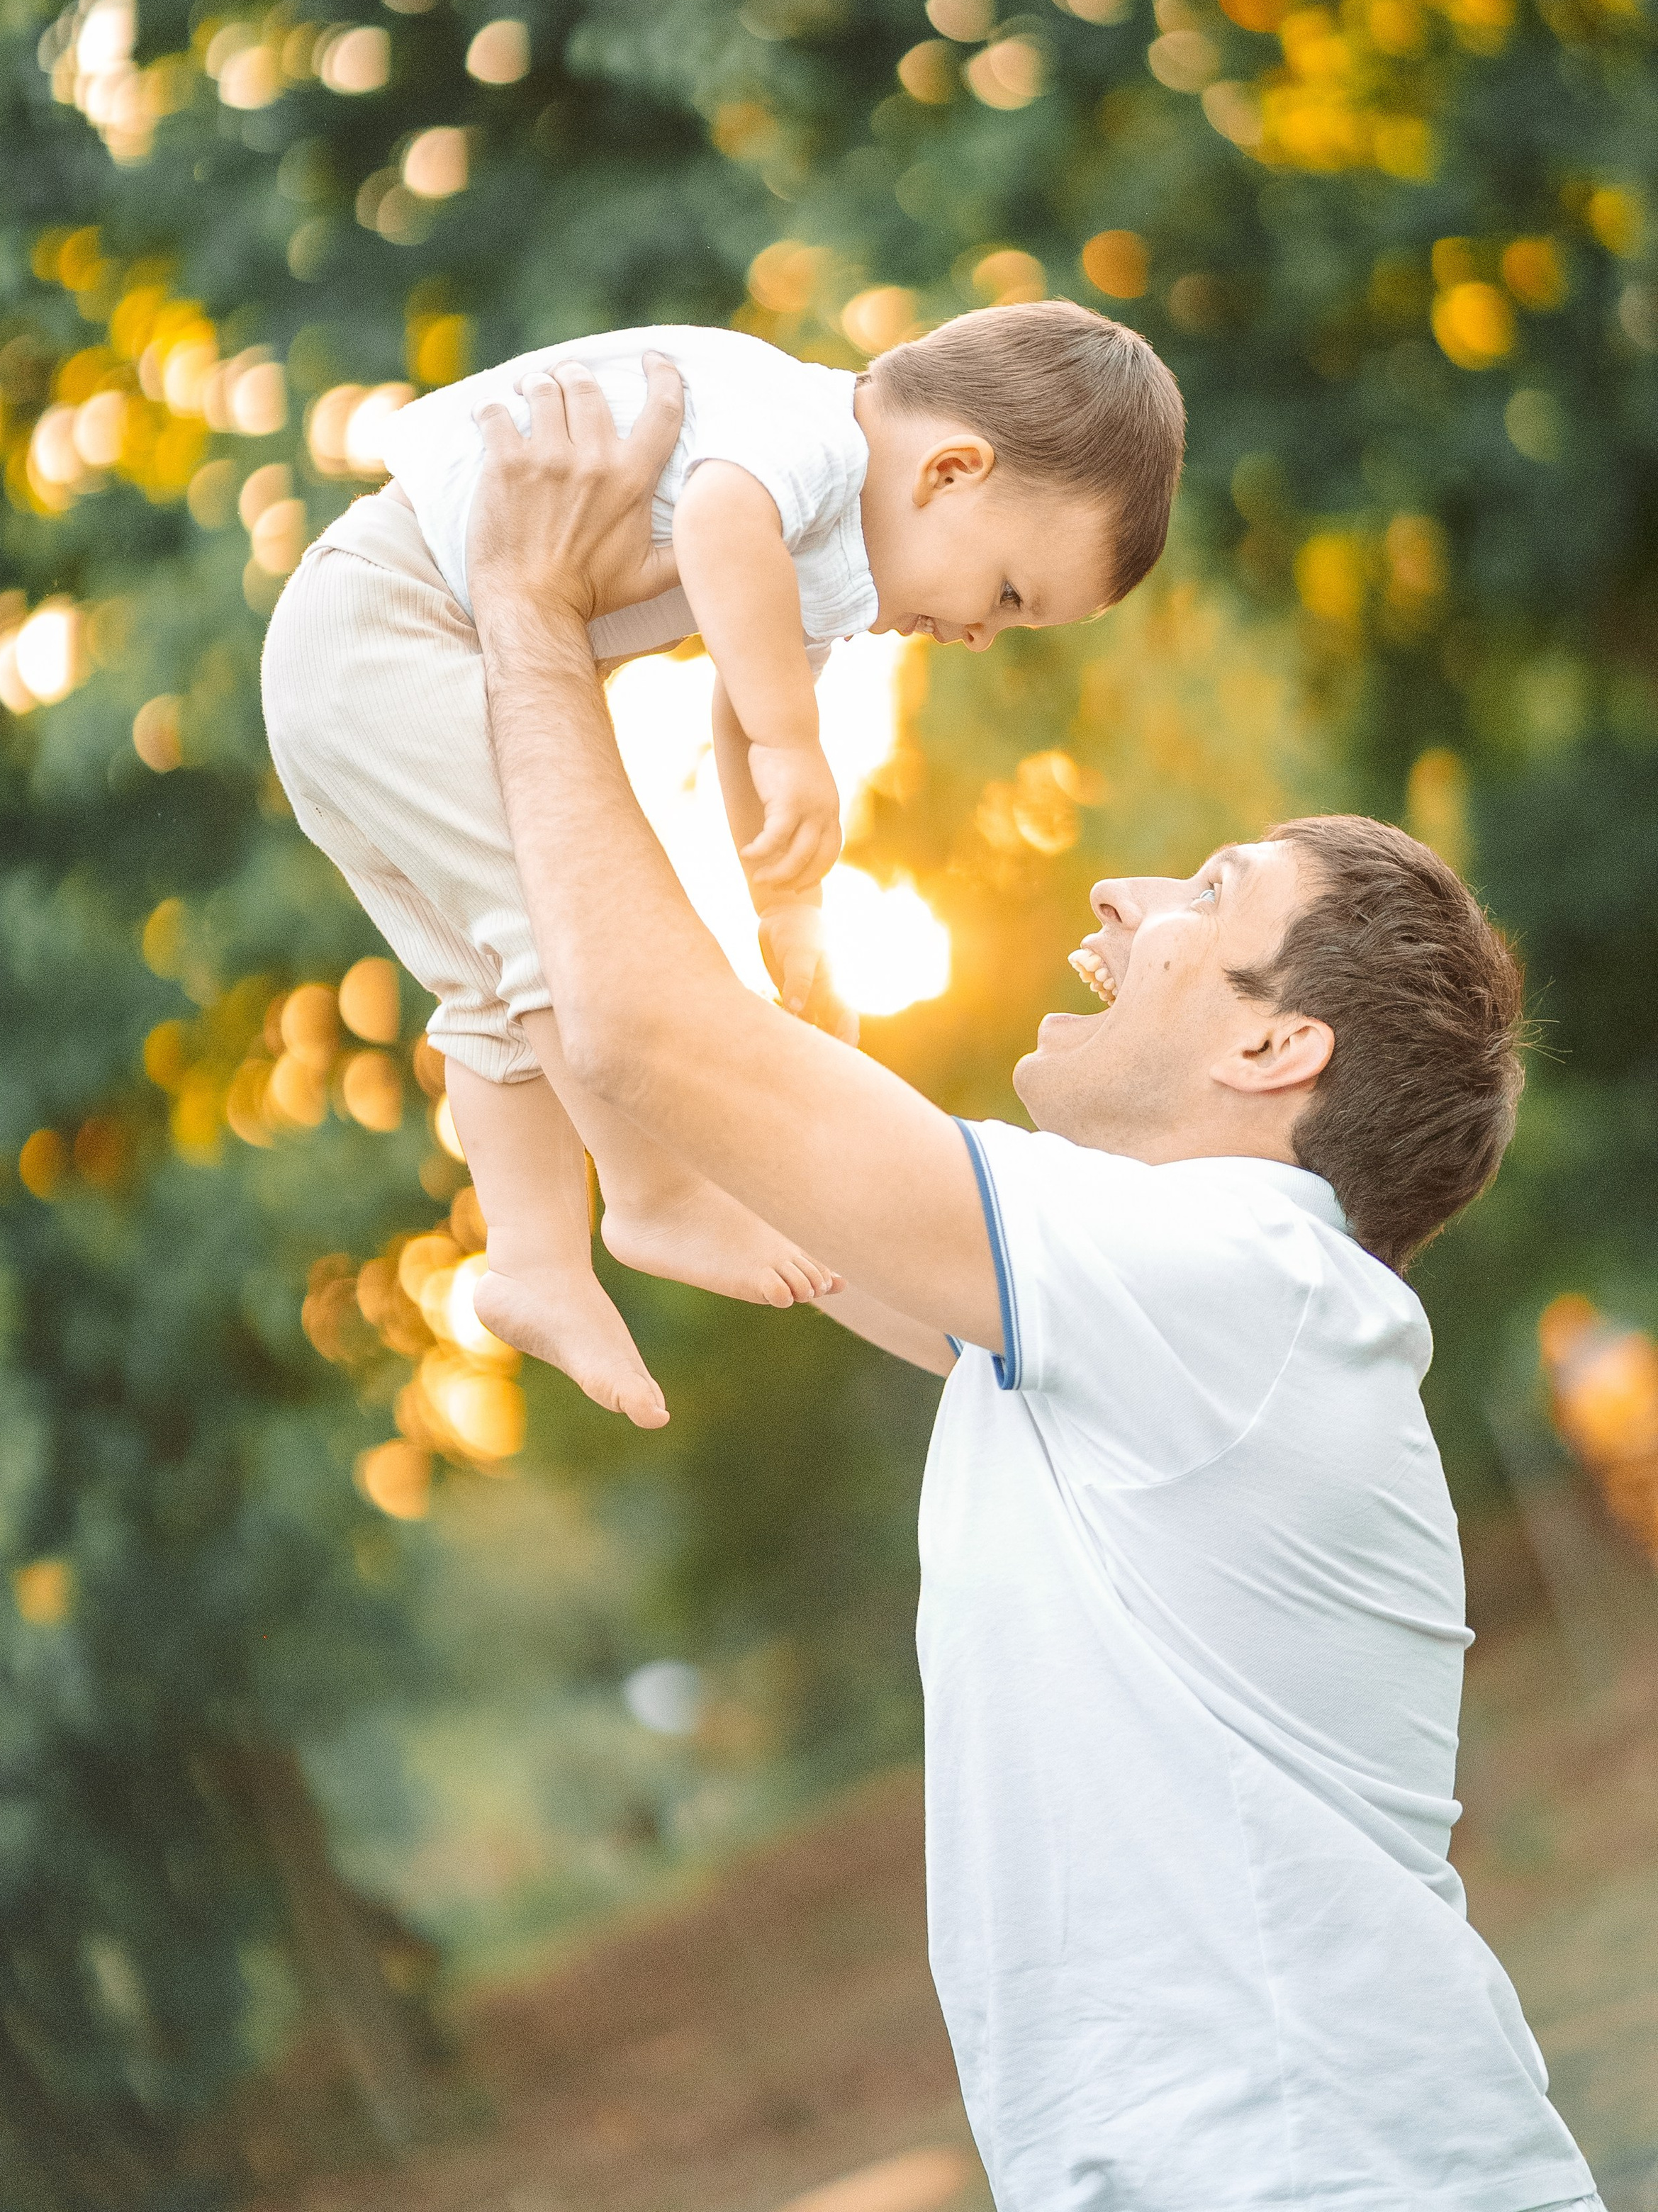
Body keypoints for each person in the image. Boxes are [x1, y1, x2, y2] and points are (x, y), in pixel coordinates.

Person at [459, 356, 1603, 2212]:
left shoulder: (1241, 1282)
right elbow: (745, 1134)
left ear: (1270, 1055)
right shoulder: (1122, 1328)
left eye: (1205, 893)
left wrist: (523, 621)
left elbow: (657, 1044)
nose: (1119, 900)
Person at [262, 305, 1184, 1430]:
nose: (981, 635)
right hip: (395, 622)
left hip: (371, 651)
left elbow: (743, 703)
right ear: (951, 470)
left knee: (494, 984)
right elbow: (717, 525)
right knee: (553, 933)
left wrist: (788, 900)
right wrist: (799, 743)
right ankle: (656, 1193)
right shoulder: (811, 438)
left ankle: (532, 1261)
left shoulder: (822, 544)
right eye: (1004, 595)